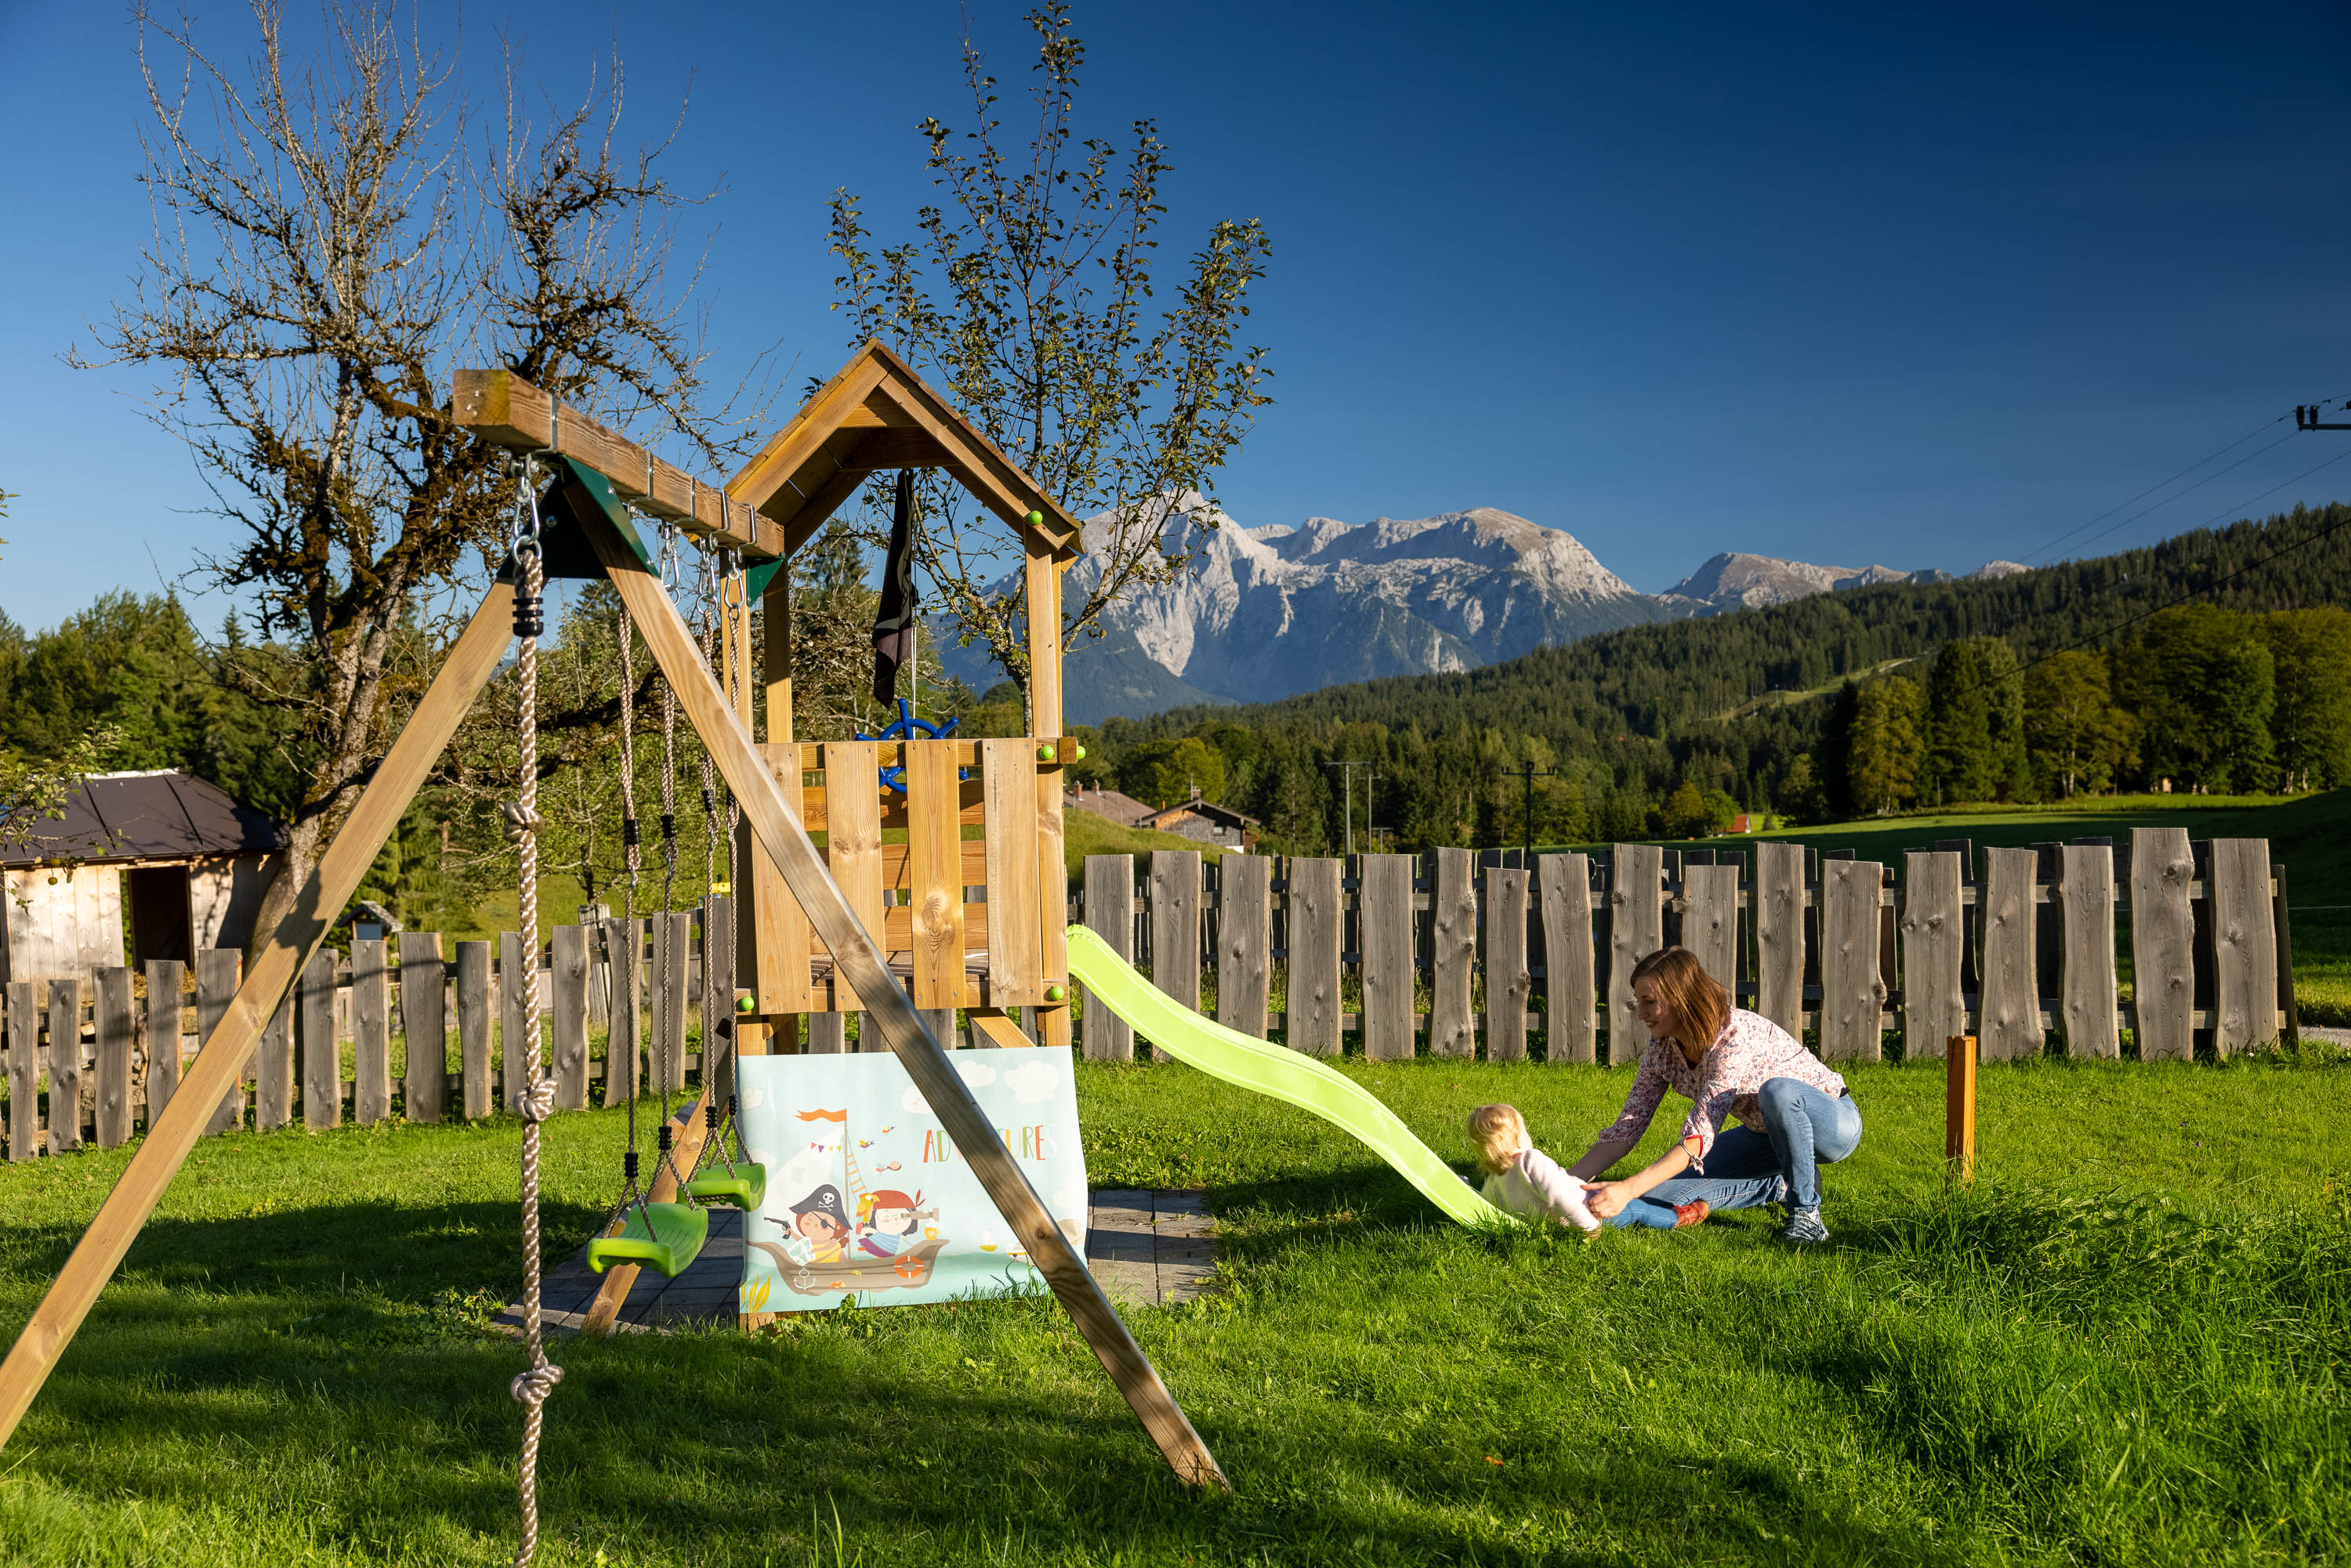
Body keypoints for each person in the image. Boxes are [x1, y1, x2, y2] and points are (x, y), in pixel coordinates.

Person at [1567, 946, 1862, 1244]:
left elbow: (1699, 1137)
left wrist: (1627, 1187)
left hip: (1833, 1125)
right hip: (1763, 1136)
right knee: (1657, 1194)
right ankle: (1778, 1185)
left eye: (1649, 1002)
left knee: (1778, 1092)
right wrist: (1568, 1184)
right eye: (1638, 1002)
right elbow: (1627, 1128)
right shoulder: (1662, 1052)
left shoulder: (1733, 1036)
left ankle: (1806, 1214)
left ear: (1681, 998)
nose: (1640, 1013)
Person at [1470, 1102, 1698, 1232]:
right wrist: (1589, 1226)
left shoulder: (1495, 1175)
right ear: (1518, 1138)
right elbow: (1560, 1198)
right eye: (1524, 1130)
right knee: (1638, 1209)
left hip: (1553, 1224)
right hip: (1591, 1210)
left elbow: (1487, 1207)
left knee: (1636, 1204)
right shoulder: (1530, 1161)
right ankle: (1676, 1218)